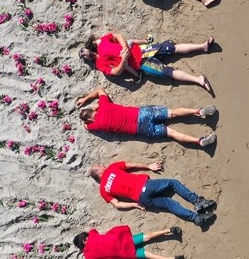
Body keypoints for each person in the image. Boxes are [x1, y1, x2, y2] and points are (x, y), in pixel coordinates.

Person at [89, 159, 217, 227]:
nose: (103, 165)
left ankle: (196, 218)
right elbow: (130, 165)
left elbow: (117, 204)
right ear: (99, 173)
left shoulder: (103, 190)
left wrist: (134, 204)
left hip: (141, 198)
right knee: (173, 183)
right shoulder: (111, 168)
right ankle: (197, 201)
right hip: (145, 186)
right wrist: (148, 166)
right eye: (100, 165)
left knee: (169, 204)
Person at [75, 88, 217, 147]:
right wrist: (90, 102)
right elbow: (100, 90)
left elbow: (85, 126)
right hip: (141, 113)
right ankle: (198, 111)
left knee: (172, 133)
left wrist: (88, 120)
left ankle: (199, 141)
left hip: (141, 128)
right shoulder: (104, 105)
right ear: (92, 110)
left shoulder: (95, 125)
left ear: (89, 119)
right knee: (173, 113)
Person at [79, 32, 214, 93]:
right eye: (84, 56)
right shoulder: (100, 64)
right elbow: (115, 72)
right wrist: (124, 60)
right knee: (168, 72)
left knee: (172, 49)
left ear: (88, 47)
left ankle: (202, 46)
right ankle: (198, 80)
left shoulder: (102, 42)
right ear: (88, 60)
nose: (86, 54)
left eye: (84, 51)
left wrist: (125, 47)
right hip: (140, 64)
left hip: (142, 50)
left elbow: (118, 35)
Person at [74, 224, 182, 259]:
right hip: (124, 240)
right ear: (84, 240)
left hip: (124, 253)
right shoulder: (92, 236)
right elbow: (93, 230)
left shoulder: (88, 256)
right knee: (147, 236)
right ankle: (168, 230)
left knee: (147, 254)